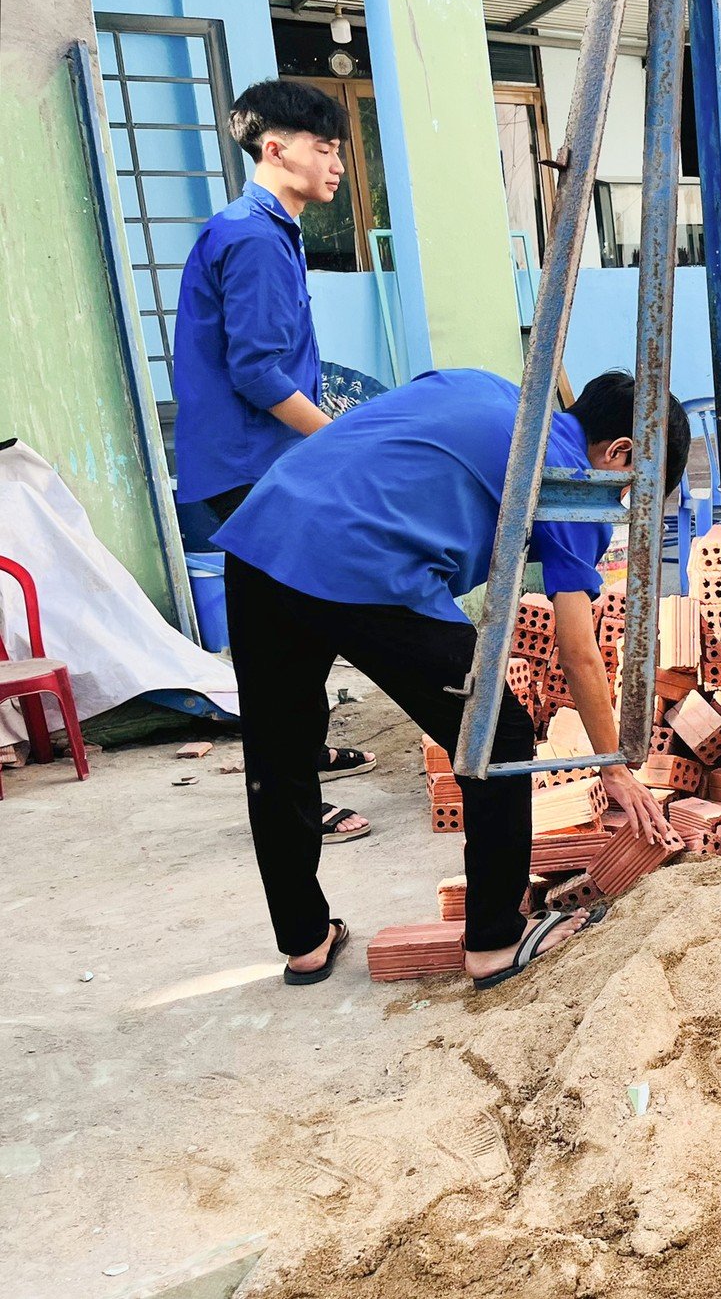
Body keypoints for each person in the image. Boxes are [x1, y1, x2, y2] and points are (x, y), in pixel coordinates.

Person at [214, 369, 689, 989]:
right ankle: (494, 943)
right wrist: (615, 765)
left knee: (281, 751)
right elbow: (579, 652)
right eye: (631, 490)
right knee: (499, 736)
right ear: (620, 455)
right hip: (366, 566)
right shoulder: (570, 482)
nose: (618, 502)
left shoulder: (484, 387)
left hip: (263, 535)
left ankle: (304, 942)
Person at [173, 78, 375, 843]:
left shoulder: (265, 228)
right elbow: (259, 374)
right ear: (275, 147)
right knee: (284, 640)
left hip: (257, 460)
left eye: (337, 151)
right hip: (250, 463)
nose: (335, 165)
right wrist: (337, 440)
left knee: (291, 626)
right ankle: (292, 795)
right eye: (324, 148)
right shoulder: (255, 237)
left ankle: (304, 753)